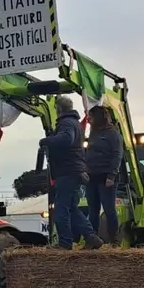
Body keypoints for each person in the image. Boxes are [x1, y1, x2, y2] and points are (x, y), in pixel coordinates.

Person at [40, 96, 104, 250]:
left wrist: (46, 141)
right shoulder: (75, 123)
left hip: (67, 171)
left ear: (58, 109)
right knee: (72, 209)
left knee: (61, 209)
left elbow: (66, 139)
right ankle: (91, 237)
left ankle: (65, 243)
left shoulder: (66, 123)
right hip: (75, 170)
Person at [84, 105, 122, 243]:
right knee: (92, 210)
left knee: (109, 209)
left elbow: (117, 155)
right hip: (91, 176)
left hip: (106, 176)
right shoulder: (93, 133)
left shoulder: (113, 134)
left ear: (98, 117)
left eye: (91, 117)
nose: (88, 119)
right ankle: (92, 239)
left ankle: (114, 239)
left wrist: (112, 175)